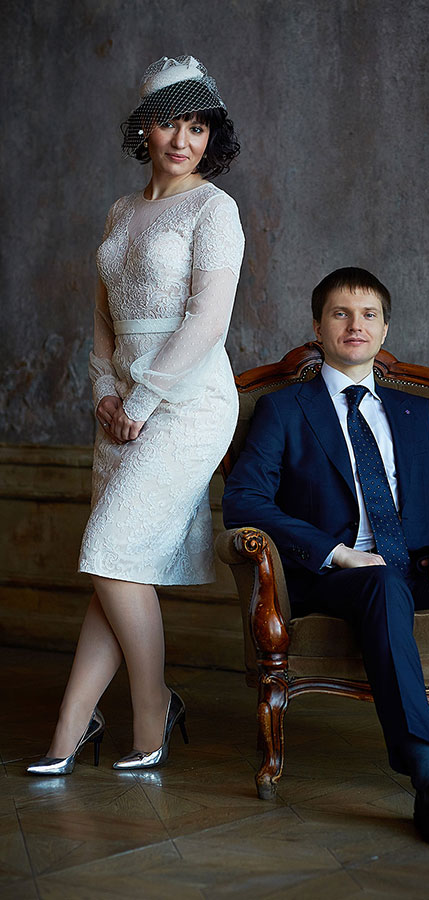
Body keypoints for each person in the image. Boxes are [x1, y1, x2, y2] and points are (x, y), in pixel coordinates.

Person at [222, 267, 429, 848]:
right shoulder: (284, 410)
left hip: (422, 568)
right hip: (339, 578)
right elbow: (244, 500)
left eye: (369, 315)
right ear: (317, 328)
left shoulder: (417, 413)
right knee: (382, 583)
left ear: (384, 330)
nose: (355, 325)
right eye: (340, 313)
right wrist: (337, 554)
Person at [28, 55, 244, 775]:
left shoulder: (214, 209)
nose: (183, 140)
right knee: (115, 563)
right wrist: (103, 393)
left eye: (197, 126)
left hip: (188, 403)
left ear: (210, 136)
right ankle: (72, 724)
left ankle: (151, 708)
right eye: (169, 123)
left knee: (112, 550)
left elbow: (208, 321)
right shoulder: (121, 211)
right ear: (143, 129)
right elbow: (102, 322)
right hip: (119, 404)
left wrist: (144, 399)